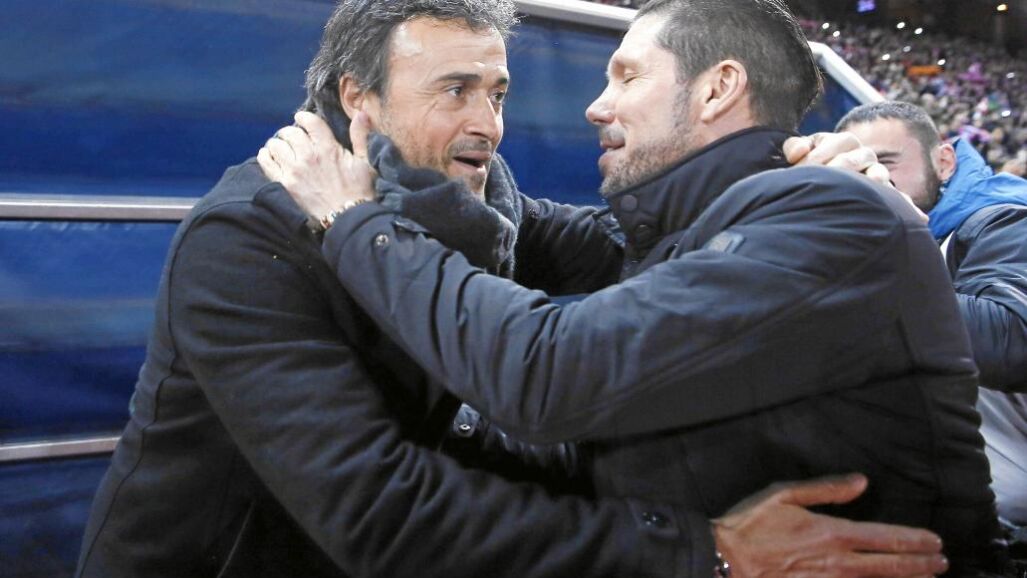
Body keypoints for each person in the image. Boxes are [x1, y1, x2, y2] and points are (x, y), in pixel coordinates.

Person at [74, 1, 948, 577]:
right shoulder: (248, 237)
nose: (487, 124)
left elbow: (633, 248)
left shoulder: (477, 204)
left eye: (496, 92)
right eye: (455, 90)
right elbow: (376, 507)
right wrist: (703, 553)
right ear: (358, 100)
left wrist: (784, 168)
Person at [837, 100, 1027, 538]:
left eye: (886, 162)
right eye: (857, 168)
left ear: (943, 161)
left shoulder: (1003, 219)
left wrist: (880, 251)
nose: (874, 179)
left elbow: (1013, 339)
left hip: (1005, 515)